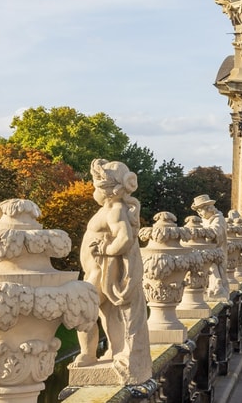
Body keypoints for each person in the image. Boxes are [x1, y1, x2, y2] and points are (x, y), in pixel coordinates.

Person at [71, 159, 152, 385]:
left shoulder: (115, 209)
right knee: (108, 314)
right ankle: (117, 351)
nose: (93, 189)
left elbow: (125, 238)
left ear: (106, 188)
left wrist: (106, 248)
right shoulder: (111, 209)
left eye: (95, 185)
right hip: (96, 270)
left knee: (83, 311)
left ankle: (88, 354)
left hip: (101, 272)